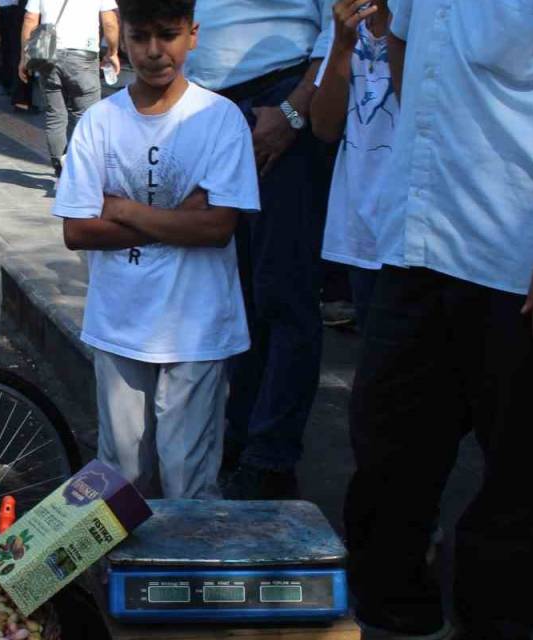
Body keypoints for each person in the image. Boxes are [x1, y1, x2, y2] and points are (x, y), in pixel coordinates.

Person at [343, 1, 533, 637]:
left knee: (519, 482)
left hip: (522, 264)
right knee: (387, 453)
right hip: (417, 245)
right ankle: (398, 618)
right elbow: (407, 50)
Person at [53, 0, 258, 499]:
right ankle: (123, 579)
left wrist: (121, 209)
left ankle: (187, 579)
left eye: (167, 35)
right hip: (120, 323)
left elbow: (217, 229)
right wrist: (179, 219)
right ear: (122, 36)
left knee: (188, 477)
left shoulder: (220, 119)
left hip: (197, 327)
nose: (153, 51)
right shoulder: (99, 122)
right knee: (120, 477)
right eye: (140, 36)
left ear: (193, 34)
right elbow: (77, 231)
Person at [184, 0, 334, 500]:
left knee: (282, 292)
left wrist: (294, 111)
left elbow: (338, 28)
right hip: (208, 108)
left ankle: (271, 458)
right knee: (233, 293)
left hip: (278, 100)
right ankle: (242, 436)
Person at [310, 0, 397, 329]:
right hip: (360, 232)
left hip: (407, 232)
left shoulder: (425, 26)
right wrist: (343, 45)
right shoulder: (350, 26)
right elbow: (324, 126)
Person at [19, 0, 120, 177]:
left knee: (55, 115)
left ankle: (60, 168)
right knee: (85, 116)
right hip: (83, 57)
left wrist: (24, 57)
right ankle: (78, 170)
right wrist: (113, 52)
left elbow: (29, 19)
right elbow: (110, 22)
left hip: (47, 55)